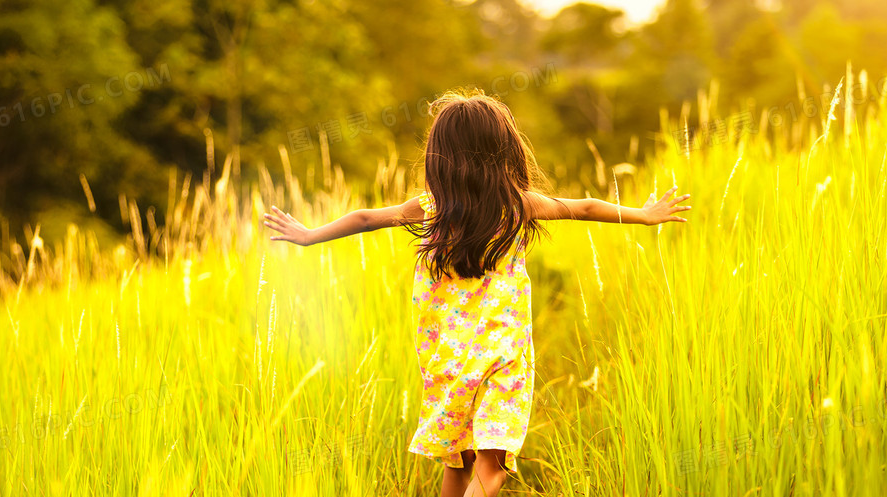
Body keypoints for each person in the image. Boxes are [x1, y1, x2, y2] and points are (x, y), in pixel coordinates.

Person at [263, 89, 691, 497]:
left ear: (439, 157)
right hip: (502, 356)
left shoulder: (432, 208)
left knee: (460, 461)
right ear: (504, 149)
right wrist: (646, 216)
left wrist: (308, 236)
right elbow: (585, 207)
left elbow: (365, 217)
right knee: (492, 465)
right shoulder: (518, 204)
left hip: (447, 358)